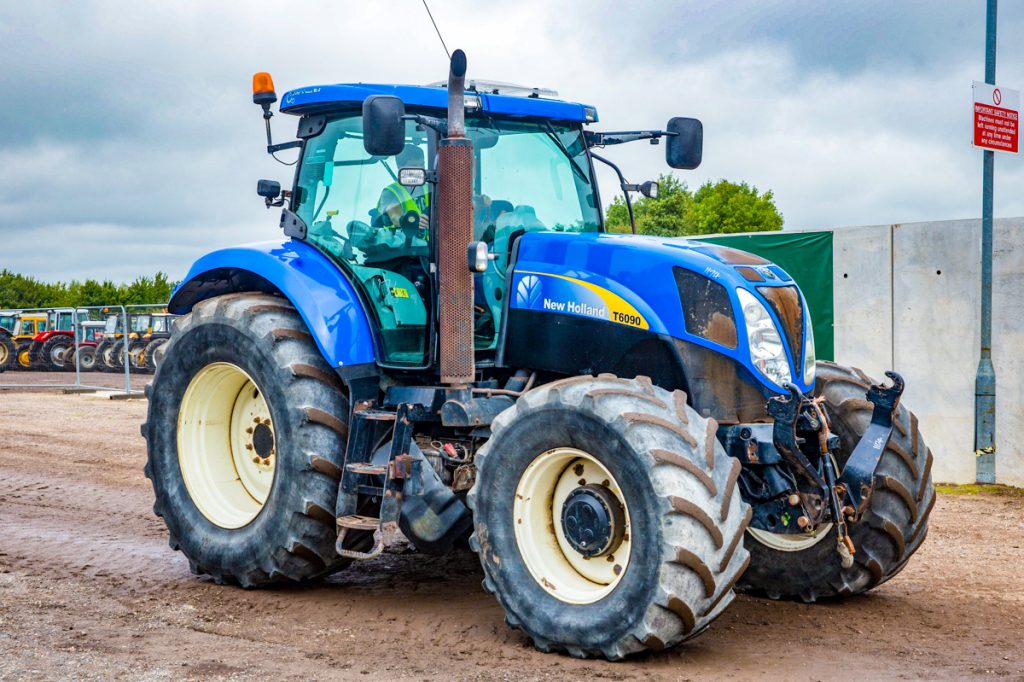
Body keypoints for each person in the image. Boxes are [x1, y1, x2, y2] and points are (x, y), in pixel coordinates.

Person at [376, 145, 430, 232]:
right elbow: (394, 216)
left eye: (422, 164)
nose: (420, 169)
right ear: (400, 166)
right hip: (403, 244)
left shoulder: (430, 187)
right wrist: (410, 220)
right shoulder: (391, 192)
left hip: (432, 244)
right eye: (414, 166)